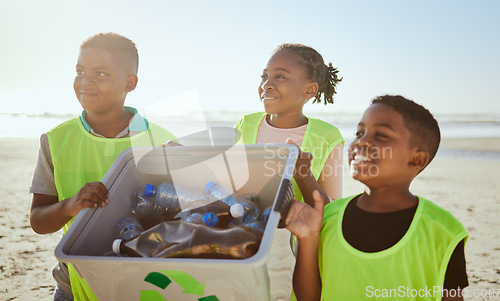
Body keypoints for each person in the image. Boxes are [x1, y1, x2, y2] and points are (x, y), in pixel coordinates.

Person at [29, 32, 177, 301]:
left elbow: (184, 216)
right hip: (74, 283)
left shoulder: (162, 141)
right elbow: (38, 221)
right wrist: (70, 205)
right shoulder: (55, 140)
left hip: (145, 283)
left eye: (101, 74)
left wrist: (182, 171)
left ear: (130, 83)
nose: (85, 81)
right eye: (80, 71)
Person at [286, 95, 469, 301]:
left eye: (381, 135)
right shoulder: (327, 217)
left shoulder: (443, 231)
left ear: (417, 159)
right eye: (359, 132)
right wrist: (307, 238)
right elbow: (308, 297)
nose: (361, 142)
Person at [234, 43, 344, 300]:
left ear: (310, 89)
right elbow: (230, 183)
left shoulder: (327, 137)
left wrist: (303, 175)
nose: (267, 84)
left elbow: (332, 212)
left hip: (292, 249)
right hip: (243, 239)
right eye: (264, 76)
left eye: (280, 76)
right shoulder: (246, 123)